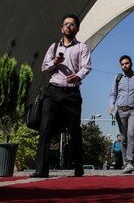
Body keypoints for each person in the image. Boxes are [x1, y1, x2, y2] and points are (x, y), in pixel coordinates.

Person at [31, 14, 92, 178]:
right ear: (61, 28)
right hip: (53, 91)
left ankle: (78, 167)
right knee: (45, 129)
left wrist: (78, 76)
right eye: (66, 24)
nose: (68, 27)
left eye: (72, 24)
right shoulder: (54, 47)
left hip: (71, 93)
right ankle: (41, 170)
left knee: (74, 131)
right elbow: (44, 67)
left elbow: (86, 67)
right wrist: (55, 63)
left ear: (77, 29)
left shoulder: (82, 48)